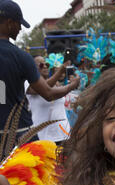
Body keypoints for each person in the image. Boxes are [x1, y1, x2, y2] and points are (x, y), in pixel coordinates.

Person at [0, 0, 79, 152]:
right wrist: (72, 86)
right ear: (10, 23)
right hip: (18, 135)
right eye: (18, 24)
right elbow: (48, 94)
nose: (20, 29)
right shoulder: (21, 57)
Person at [26, 56, 71, 145]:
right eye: (41, 65)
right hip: (42, 136)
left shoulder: (56, 84)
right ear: (33, 68)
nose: (45, 67)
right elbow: (46, 91)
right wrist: (60, 72)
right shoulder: (28, 83)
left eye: (47, 64)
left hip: (63, 134)